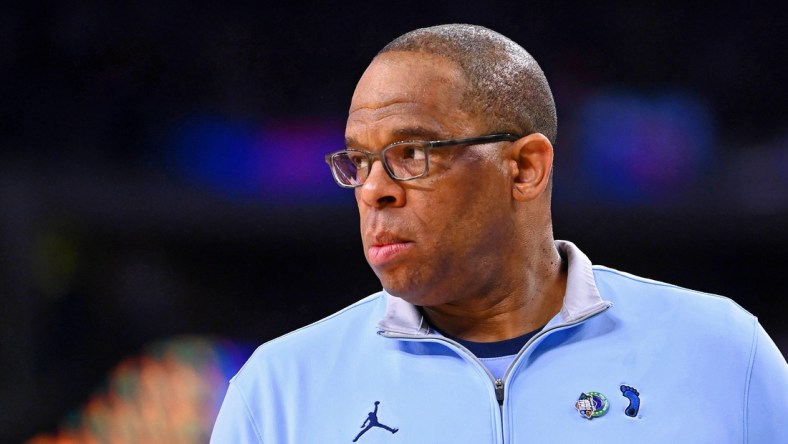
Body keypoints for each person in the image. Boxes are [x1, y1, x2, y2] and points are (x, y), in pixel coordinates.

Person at [210, 24, 788, 443]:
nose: (373, 190)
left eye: (411, 153)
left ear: (525, 168)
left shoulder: (722, 353)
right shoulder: (279, 391)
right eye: (358, 163)